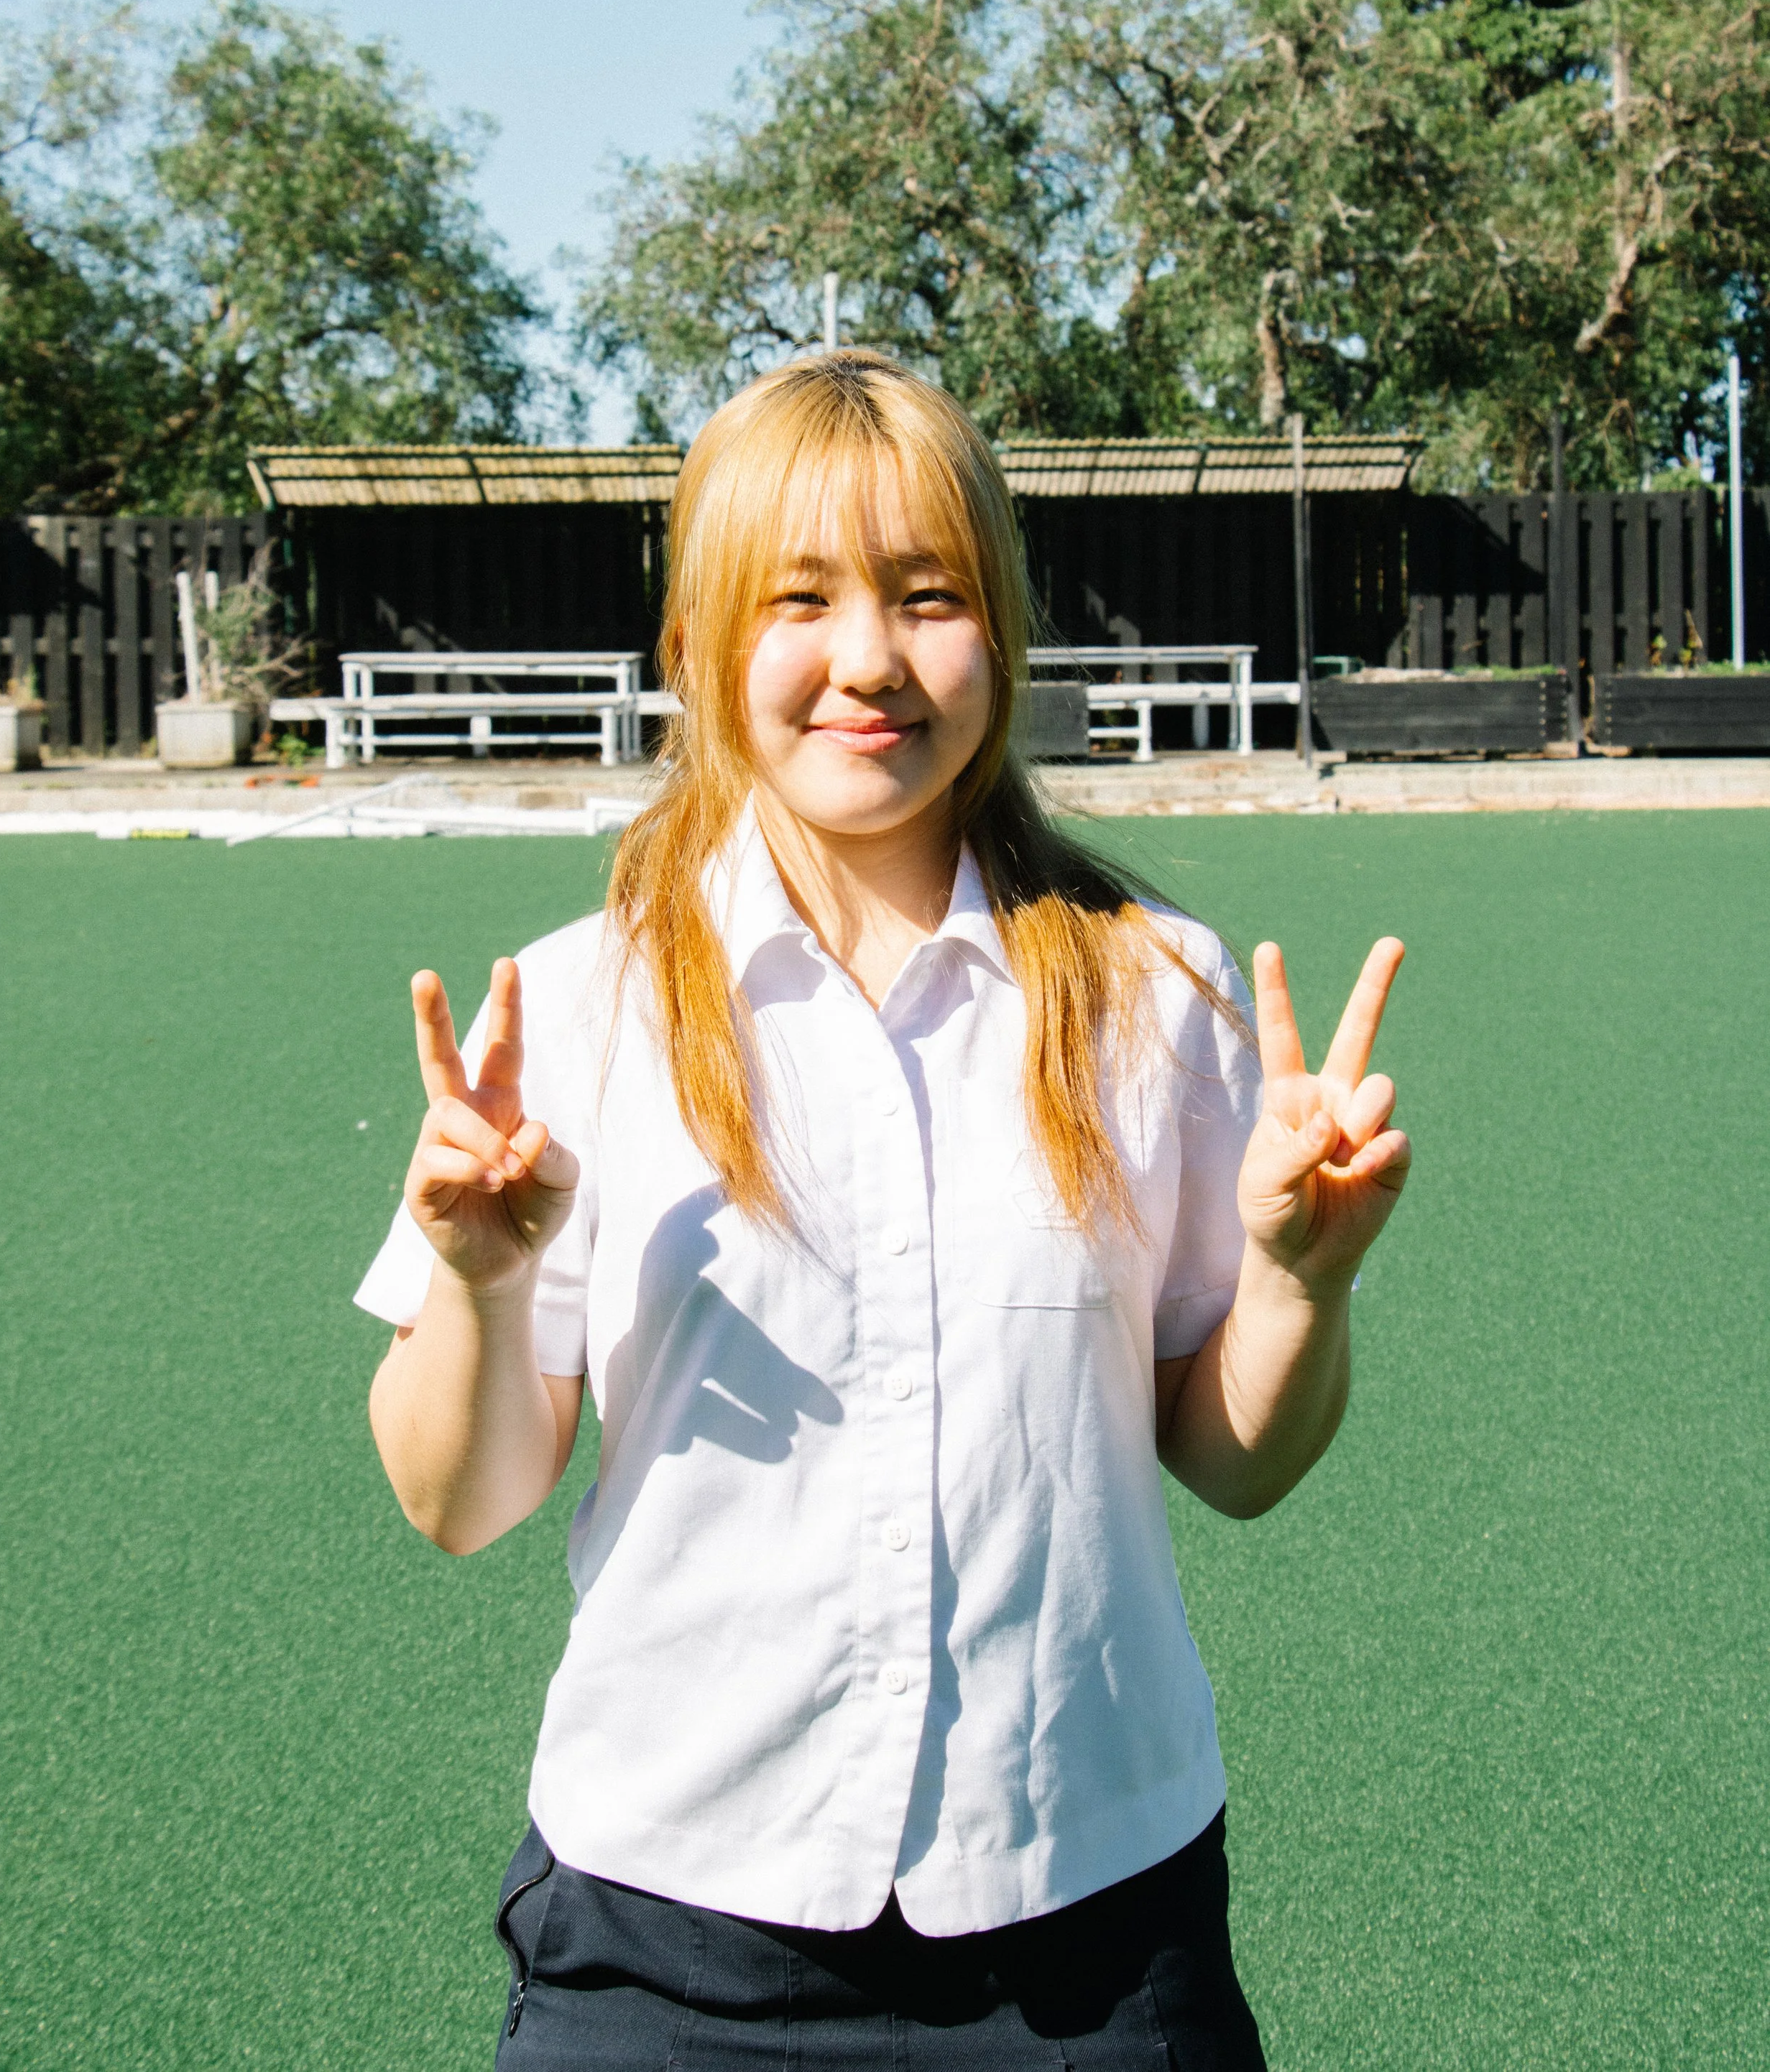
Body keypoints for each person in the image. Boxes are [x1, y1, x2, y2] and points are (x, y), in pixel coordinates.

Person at [355, 350, 1411, 2070]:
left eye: (928, 597)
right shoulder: (572, 1010)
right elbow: (457, 1502)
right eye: (799, 600)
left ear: (997, 632)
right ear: (697, 649)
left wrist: (1301, 1280)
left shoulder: (1156, 992)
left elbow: (1233, 1466)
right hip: (667, 1937)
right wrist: (478, 1284)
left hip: (1091, 1936)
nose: (867, 662)